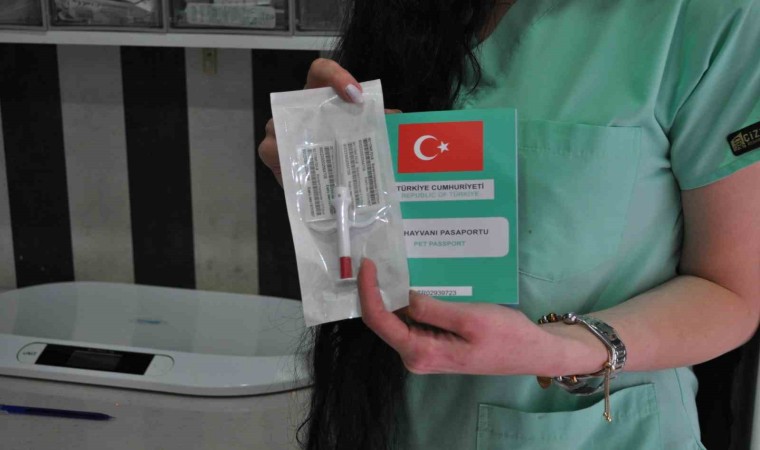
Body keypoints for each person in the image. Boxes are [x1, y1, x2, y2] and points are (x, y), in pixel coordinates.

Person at [258, 0, 760, 448]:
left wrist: (560, 350)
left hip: (593, 430)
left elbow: (731, 293)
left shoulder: (703, 16)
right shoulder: (400, 14)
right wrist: (321, 176)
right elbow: (375, 245)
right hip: (387, 419)